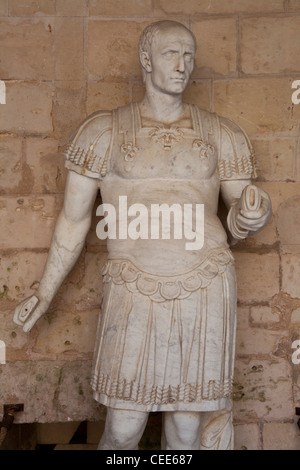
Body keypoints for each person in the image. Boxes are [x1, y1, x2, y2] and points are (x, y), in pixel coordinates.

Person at [14, 20, 271, 450]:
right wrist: (45, 290)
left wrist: (251, 214)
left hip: (204, 284)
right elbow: (74, 220)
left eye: (189, 55)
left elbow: (239, 212)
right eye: (173, 53)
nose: (183, 65)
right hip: (134, 286)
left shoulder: (221, 133)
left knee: (187, 430)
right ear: (146, 59)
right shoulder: (103, 132)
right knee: (123, 426)